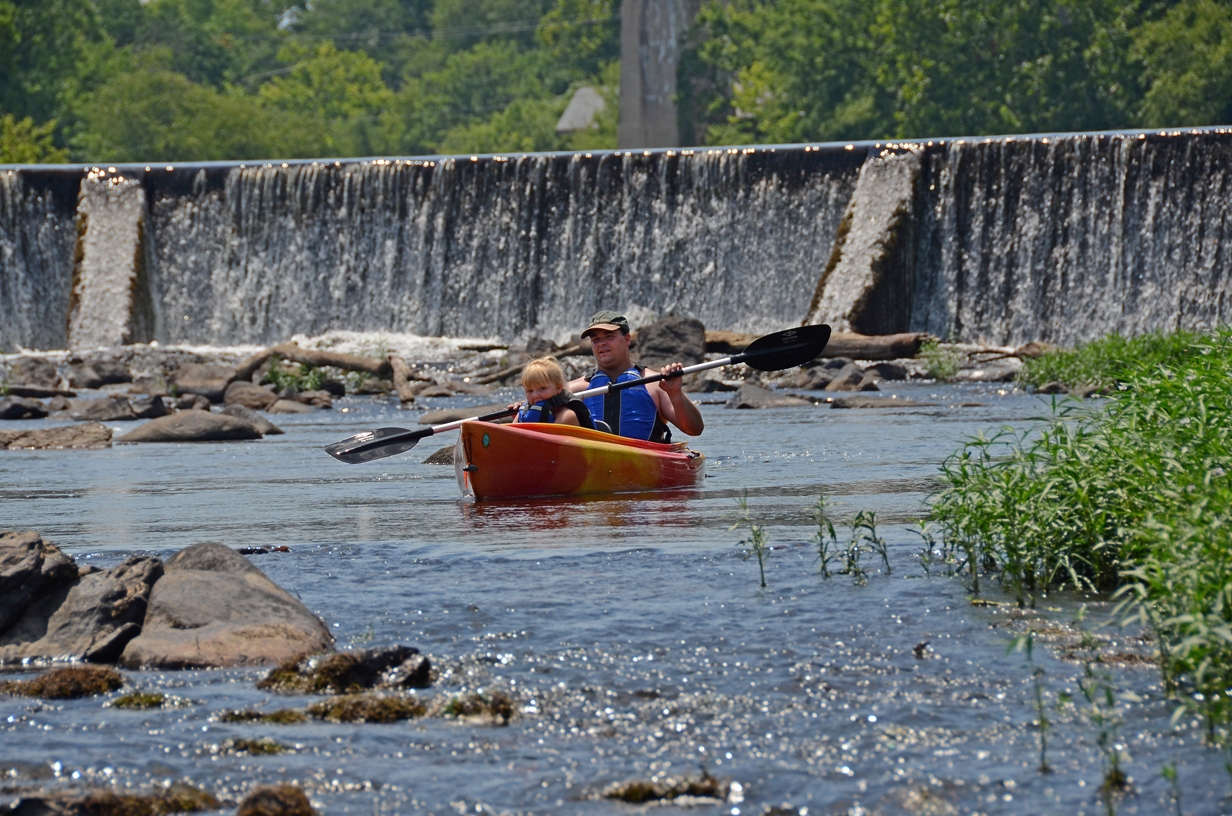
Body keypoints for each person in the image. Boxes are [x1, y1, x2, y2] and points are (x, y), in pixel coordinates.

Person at [567, 310, 705, 443]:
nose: (601, 343)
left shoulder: (656, 385)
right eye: (595, 339)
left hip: (646, 463)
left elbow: (694, 429)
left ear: (627, 339)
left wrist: (675, 394)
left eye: (609, 336)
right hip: (592, 462)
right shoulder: (574, 391)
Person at [512, 356, 594, 429]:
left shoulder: (566, 416)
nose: (535, 395)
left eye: (542, 388)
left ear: (558, 388)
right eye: (530, 391)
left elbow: (544, 444)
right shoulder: (523, 412)